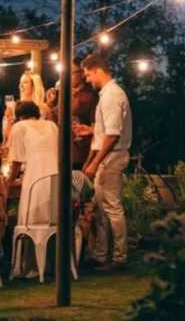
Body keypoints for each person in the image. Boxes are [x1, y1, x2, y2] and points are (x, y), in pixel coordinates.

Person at [75, 54, 132, 270]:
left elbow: (113, 134)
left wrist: (95, 162)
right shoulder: (107, 95)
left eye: (88, 75)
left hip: (112, 158)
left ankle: (119, 257)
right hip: (106, 157)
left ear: (97, 70)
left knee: (112, 207)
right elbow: (103, 133)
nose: (88, 80)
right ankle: (100, 254)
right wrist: (90, 159)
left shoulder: (111, 96)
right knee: (100, 207)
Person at [5, 101, 58, 279]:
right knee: (51, 222)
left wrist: (9, 181)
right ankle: (51, 263)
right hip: (55, 178)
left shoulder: (19, 127)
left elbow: (16, 160)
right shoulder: (51, 125)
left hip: (35, 177)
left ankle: (31, 266)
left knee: (31, 221)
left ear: (19, 116)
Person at [2, 70, 48, 145]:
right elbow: (8, 135)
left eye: (25, 82)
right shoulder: (14, 106)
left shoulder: (43, 107)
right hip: (18, 147)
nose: (21, 85)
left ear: (34, 85)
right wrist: (8, 117)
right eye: (20, 83)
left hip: (36, 147)